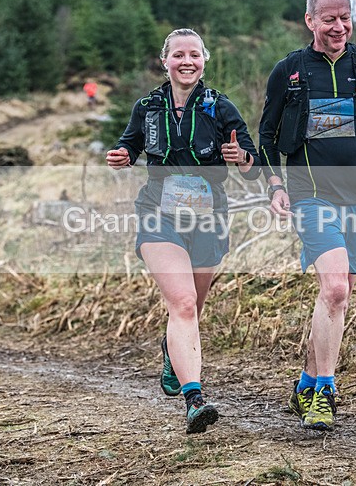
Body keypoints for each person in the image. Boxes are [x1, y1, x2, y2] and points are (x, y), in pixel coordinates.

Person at [258, 0, 356, 431]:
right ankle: (325, 392)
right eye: (329, 19)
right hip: (310, 195)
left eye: (345, 17)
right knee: (336, 289)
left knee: (336, 298)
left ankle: (305, 382)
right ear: (310, 21)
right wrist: (273, 185)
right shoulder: (289, 71)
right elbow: (265, 136)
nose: (339, 26)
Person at [106, 28, 260, 434]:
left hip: (209, 217)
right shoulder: (147, 107)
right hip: (159, 214)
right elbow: (130, 147)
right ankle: (195, 400)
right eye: (178, 55)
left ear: (204, 61)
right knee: (184, 304)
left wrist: (241, 157)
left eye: (194, 54)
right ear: (165, 61)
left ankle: (171, 349)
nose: (186, 61)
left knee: (192, 307)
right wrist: (122, 157)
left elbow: (253, 166)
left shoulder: (220, 107)